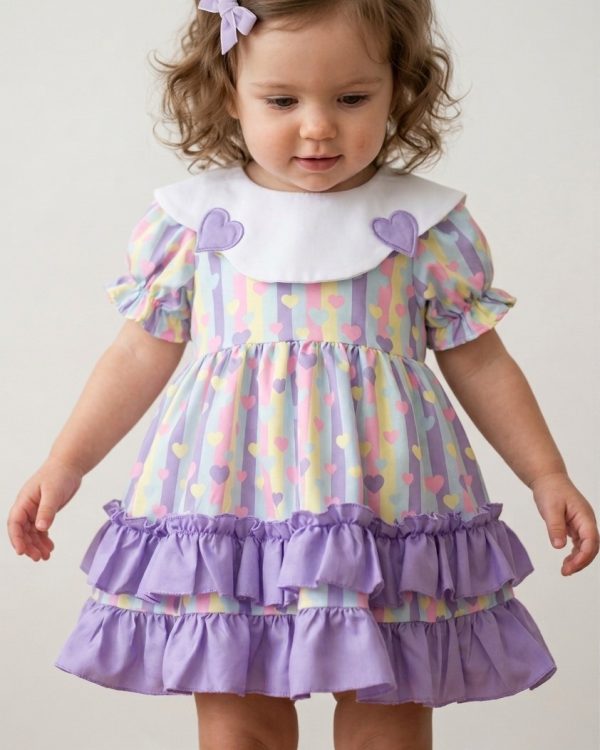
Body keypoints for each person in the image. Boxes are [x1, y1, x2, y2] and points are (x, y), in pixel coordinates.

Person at [7, 1, 599, 749]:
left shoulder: (426, 227)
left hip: (385, 509)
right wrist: (65, 463)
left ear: (398, 88)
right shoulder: (195, 224)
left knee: (388, 721)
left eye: (351, 98)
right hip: (232, 508)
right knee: (239, 723)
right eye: (282, 101)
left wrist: (547, 473)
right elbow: (137, 353)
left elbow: (479, 359)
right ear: (229, 93)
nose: (317, 127)